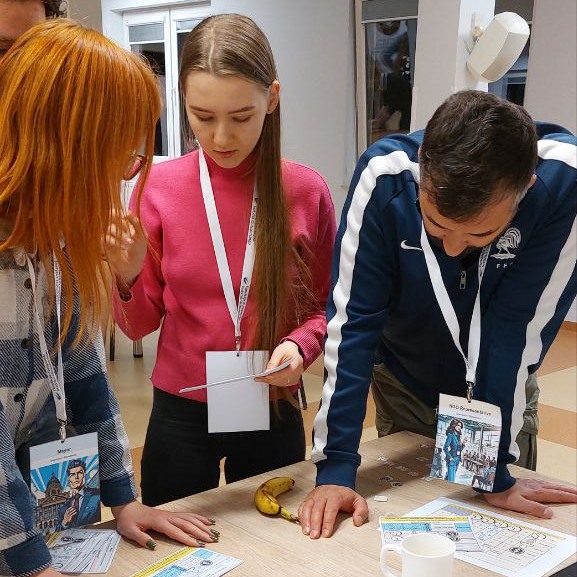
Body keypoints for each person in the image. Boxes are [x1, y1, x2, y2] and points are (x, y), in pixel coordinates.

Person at [300, 90, 577, 539]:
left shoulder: (563, 183)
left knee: (490, 538)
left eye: (480, 234)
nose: (451, 248)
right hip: (405, 381)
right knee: (401, 528)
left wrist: (494, 472)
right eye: (436, 225)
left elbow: (516, 330)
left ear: (524, 188)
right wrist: (336, 466)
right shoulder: (385, 176)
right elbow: (354, 327)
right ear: (422, 170)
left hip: (501, 393)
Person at [0, 19, 218, 577]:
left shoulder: (60, 241)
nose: (126, 173)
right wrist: (30, 564)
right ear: (61, 146)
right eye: (117, 153)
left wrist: (124, 499)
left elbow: (87, 380)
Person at [107, 13, 336, 507]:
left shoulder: (305, 191)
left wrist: (300, 347)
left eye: (241, 117)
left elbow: (325, 309)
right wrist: (125, 278)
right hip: (180, 408)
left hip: (270, 400)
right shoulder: (158, 189)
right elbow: (137, 325)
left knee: (271, 538)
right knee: (173, 536)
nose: (221, 138)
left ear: (272, 99)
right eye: (203, 117)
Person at [58, 460, 101, 529]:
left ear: (84, 474)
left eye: (79, 473)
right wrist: (64, 522)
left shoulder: (96, 495)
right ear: (69, 479)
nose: (76, 477)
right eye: (72, 475)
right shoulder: (63, 508)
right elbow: (57, 529)